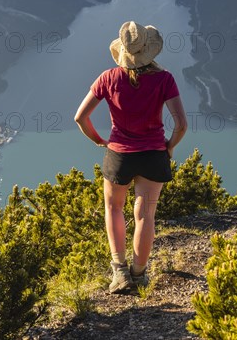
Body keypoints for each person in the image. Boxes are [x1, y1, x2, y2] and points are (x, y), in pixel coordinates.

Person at [74, 21, 187, 294]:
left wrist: (100, 141)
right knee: (145, 214)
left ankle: (120, 272)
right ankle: (139, 274)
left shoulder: (108, 78)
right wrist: (169, 147)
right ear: (149, 50)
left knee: (114, 209)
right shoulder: (165, 79)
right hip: (152, 155)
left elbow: (80, 117)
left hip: (119, 155)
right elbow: (181, 124)